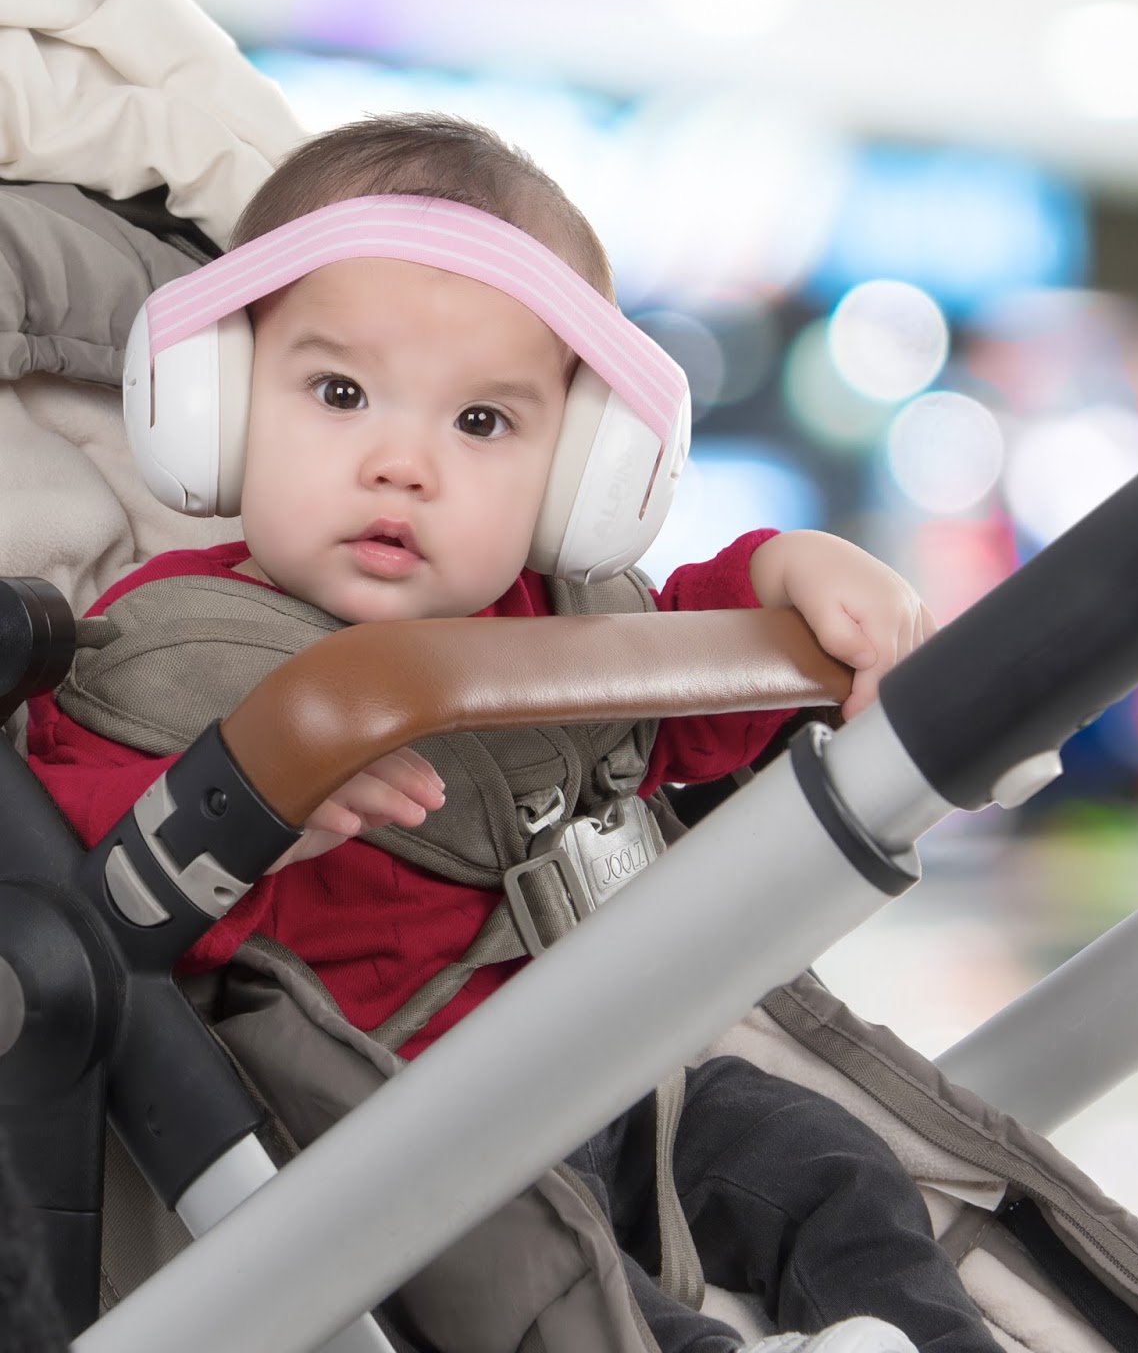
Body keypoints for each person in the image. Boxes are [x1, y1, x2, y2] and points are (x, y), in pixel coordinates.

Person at [26, 115, 996, 1353]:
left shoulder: (570, 625)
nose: (402, 464)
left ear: (582, 472)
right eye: (338, 393)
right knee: (562, 1298)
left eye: (481, 424)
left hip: (615, 1091)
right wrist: (234, 802)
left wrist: (783, 574)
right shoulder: (167, 648)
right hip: (396, 1140)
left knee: (828, 1161)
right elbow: (75, 882)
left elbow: (681, 721)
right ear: (213, 408)